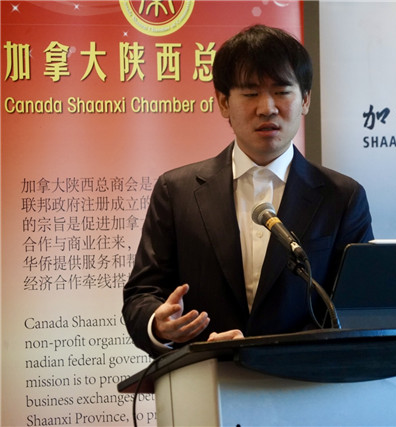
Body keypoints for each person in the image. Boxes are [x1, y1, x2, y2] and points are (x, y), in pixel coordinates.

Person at [122, 24, 374, 358]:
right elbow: (142, 293)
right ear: (223, 103)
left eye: (282, 91)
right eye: (251, 93)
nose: (267, 108)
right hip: (206, 375)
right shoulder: (177, 191)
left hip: (304, 380)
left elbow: (355, 307)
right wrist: (159, 324)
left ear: (305, 100)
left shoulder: (342, 197)